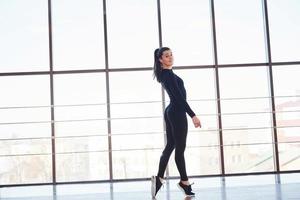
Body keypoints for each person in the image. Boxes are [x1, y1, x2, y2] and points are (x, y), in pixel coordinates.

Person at [151, 47, 201, 198]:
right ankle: (183, 182)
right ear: (160, 60)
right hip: (177, 112)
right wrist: (193, 115)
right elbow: (180, 98)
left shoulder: (166, 74)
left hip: (171, 111)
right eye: (167, 56)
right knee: (179, 150)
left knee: (171, 146)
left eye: (171, 54)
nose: (170, 57)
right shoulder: (168, 75)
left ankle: (159, 179)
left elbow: (178, 98)